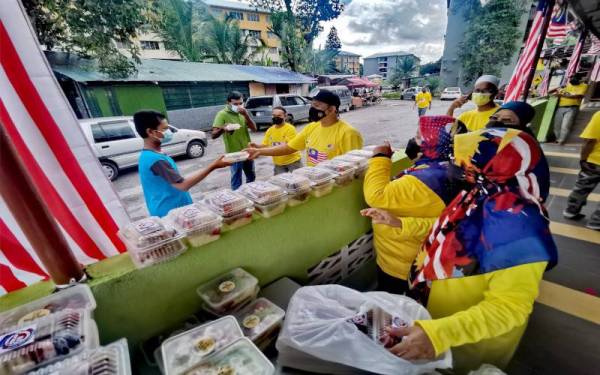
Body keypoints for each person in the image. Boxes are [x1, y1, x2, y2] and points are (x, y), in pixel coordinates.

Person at [375, 128, 557, 373]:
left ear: (496, 164)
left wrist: (438, 334)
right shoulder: (480, 194)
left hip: (463, 338)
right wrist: (400, 223)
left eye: (466, 158)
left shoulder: (522, 227)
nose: (454, 164)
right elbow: (449, 227)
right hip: (436, 315)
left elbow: (509, 308)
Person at [361, 115, 462, 295]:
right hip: (425, 258)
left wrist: (380, 157)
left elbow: (376, 196)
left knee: (398, 306)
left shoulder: (428, 180)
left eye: (418, 136)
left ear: (434, 143)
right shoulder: (453, 167)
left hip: (403, 264)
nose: (413, 140)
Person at [135, 110, 230, 217]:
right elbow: (183, 185)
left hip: (176, 207)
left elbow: (176, 180)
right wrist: (213, 165)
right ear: (150, 132)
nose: (169, 132)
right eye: (165, 129)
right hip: (170, 212)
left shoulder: (153, 154)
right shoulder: (155, 160)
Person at [245, 90, 363, 166]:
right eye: (312, 105)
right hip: (316, 184)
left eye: (317, 106)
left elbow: (355, 167)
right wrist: (259, 151)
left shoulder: (349, 133)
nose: (312, 109)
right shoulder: (311, 128)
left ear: (332, 109)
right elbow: (288, 148)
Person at [212, 91, 258, 190]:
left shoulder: (243, 112)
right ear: (228, 103)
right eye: (235, 104)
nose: (238, 106)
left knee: (251, 176)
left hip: (247, 150)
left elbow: (254, 129)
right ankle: (237, 199)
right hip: (234, 153)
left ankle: (251, 194)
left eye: (240, 103)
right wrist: (223, 128)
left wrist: (246, 115)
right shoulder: (222, 114)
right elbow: (213, 135)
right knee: (236, 179)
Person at [563, 111, 600, 230]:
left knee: (582, 187)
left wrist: (583, 159)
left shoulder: (599, 115)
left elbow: (589, 141)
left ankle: (571, 211)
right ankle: (596, 222)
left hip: (594, 161)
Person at [248, 106, 303, 174]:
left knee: (299, 180)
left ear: (285, 116)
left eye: (279, 115)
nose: (276, 118)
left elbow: (290, 147)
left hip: (293, 161)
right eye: (274, 115)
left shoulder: (290, 129)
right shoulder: (270, 130)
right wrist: (256, 146)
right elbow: (265, 145)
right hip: (278, 163)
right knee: (278, 181)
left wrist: (259, 151)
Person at [552, 74, 589, 144]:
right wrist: (560, 92)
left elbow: (578, 96)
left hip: (572, 107)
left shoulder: (584, 86)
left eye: (574, 78)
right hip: (561, 107)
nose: (572, 80)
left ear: (579, 79)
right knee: (557, 125)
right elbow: (556, 92)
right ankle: (557, 138)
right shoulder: (567, 85)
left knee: (565, 125)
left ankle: (561, 140)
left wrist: (562, 95)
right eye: (571, 78)